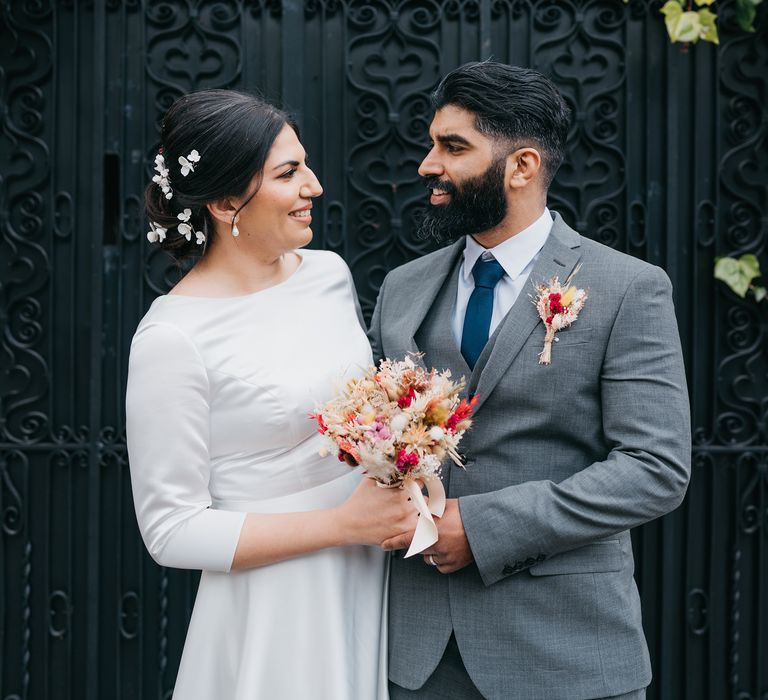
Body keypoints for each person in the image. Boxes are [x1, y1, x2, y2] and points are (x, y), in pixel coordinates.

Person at [369, 62, 691, 700]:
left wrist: (485, 529)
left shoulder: (628, 288)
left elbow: (655, 467)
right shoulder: (403, 288)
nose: (428, 165)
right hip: (418, 658)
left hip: (566, 652)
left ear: (521, 166)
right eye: (433, 143)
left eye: (453, 147)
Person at [126, 90, 413, 699]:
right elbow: (171, 531)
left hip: (372, 578)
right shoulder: (173, 336)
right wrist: (341, 525)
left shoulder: (329, 274)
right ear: (227, 199)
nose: (315, 185)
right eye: (289, 173)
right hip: (276, 601)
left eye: (305, 165)